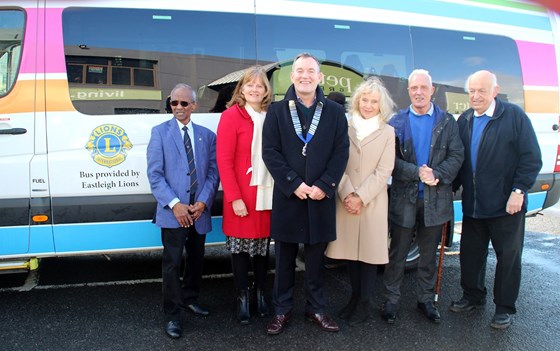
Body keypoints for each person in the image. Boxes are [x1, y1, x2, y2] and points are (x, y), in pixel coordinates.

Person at [262, 53, 349, 335]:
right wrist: (293, 183)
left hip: (320, 197)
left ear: (319, 77)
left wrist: (325, 185)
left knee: (315, 260)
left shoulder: (335, 112)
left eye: (311, 71)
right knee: (284, 259)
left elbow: (341, 152)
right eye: (299, 70)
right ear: (292, 75)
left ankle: (316, 308)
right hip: (290, 195)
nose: (305, 76)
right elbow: (270, 152)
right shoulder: (276, 111)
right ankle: (281, 310)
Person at [449, 70, 542, 329]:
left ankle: (504, 308)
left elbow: (531, 157)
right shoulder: (465, 120)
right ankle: (473, 296)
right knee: (470, 255)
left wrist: (519, 190)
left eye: (481, 91)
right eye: (472, 91)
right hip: (474, 205)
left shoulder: (513, 116)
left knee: (508, 259)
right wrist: (447, 188)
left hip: (506, 205)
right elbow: (460, 162)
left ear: (494, 91)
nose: (476, 96)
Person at [381, 69, 464, 325]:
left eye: (423, 88)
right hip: (403, 199)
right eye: (414, 88)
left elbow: (457, 156)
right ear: (408, 91)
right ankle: (391, 301)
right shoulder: (397, 122)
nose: (419, 92)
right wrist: (417, 172)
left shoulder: (447, 121)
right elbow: (389, 161)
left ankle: (425, 300)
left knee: (428, 256)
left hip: (435, 201)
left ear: (432, 91)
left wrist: (436, 174)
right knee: (397, 254)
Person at [147, 83, 220, 339]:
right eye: (173, 103)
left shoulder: (207, 136)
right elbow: (154, 175)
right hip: (173, 212)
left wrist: (203, 202)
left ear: (193, 106)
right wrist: (175, 204)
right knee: (172, 265)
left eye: (183, 103)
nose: (178, 107)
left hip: (198, 212)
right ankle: (172, 316)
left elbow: (213, 172)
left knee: (196, 260)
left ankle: (190, 298)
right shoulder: (160, 133)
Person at [325, 77, 396, 326]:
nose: (368, 105)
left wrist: (360, 197)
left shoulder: (388, 132)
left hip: (371, 203)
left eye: (373, 101)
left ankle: (365, 302)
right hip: (345, 200)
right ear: (357, 101)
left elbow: (384, 171)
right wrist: (347, 194)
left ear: (381, 104)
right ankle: (354, 298)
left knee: (368, 256)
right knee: (351, 256)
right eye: (364, 100)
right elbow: (335, 163)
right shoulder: (344, 126)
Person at [216, 66, 274, 324]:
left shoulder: (272, 116)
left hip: (267, 194)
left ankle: (261, 294)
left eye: (259, 86)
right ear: (241, 89)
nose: (254, 89)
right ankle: (241, 298)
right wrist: (234, 197)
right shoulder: (231, 116)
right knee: (240, 251)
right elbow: (224, 161)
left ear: (265, 91)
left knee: (262, 250)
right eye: (249, 85)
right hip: (241, 197)